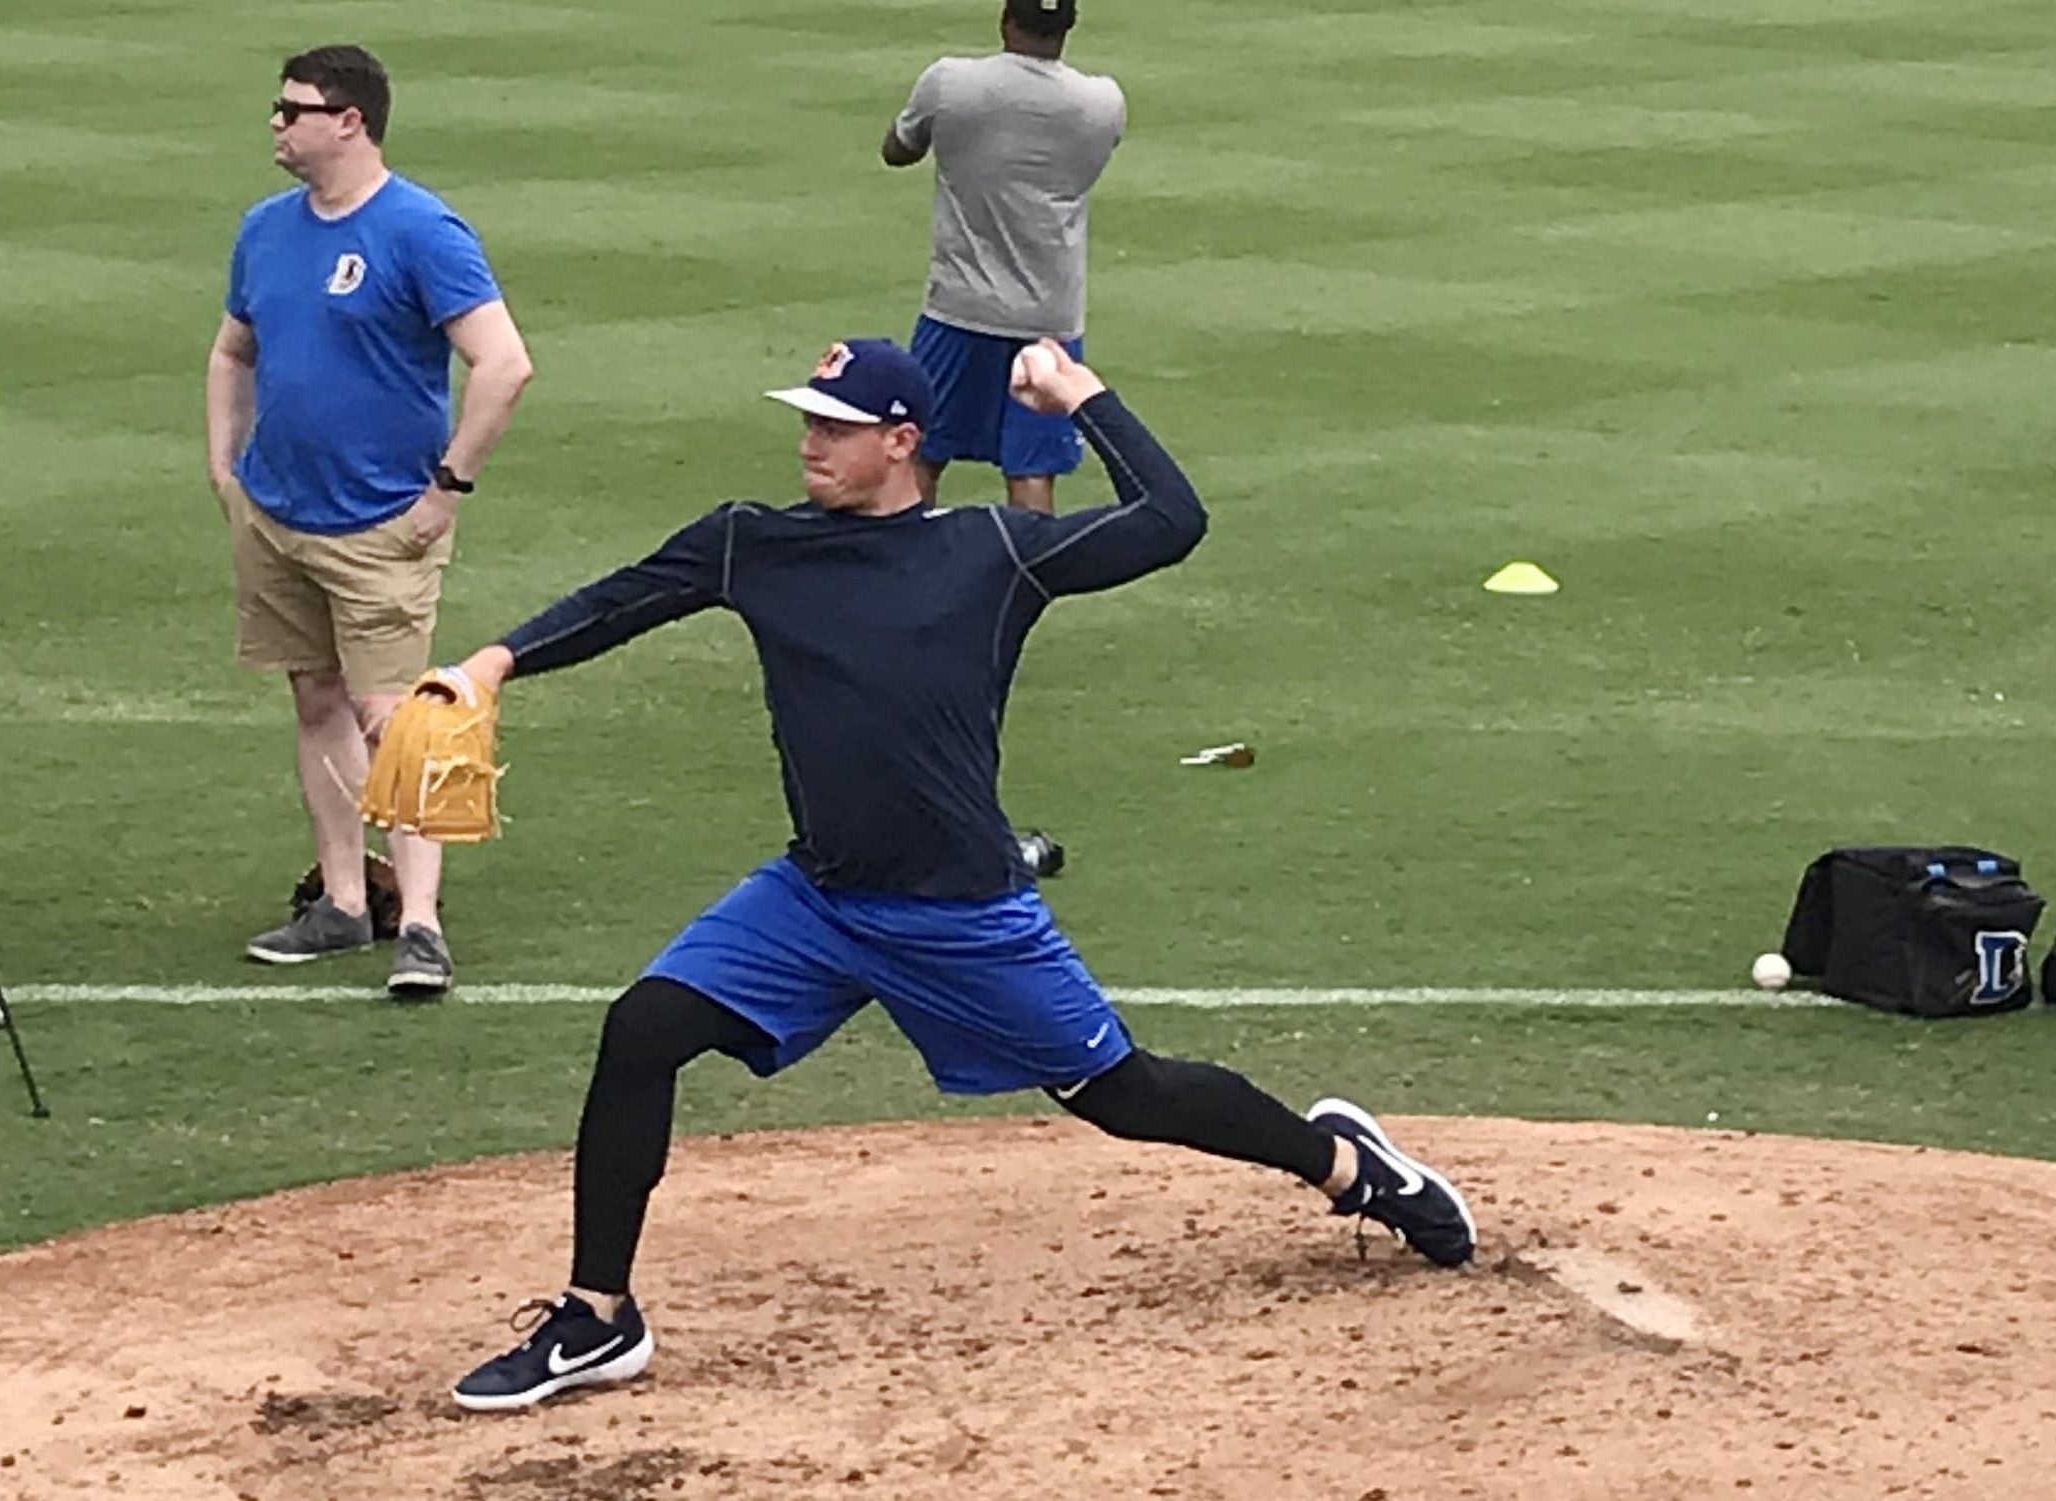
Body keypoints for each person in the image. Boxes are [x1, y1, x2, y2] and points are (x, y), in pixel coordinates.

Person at [434, 337, 1477, 1412]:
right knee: (642, 1027)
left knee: (1123, 1094)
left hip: (960, 913)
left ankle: (1350, 1169)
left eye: (835, 427)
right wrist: (487, 666)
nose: (810, 444)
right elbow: (622, 601)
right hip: (816, 899)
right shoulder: (751, 543)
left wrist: (1081, 398)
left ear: (901, 440)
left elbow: (1172, 520)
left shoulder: (993, 552)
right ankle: (597, 1316)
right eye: (807, 422)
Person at [207, 45, 534, 999]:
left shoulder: (419, 230)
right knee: (314, 696)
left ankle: (421, 924)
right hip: (277, 512)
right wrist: (224, 464)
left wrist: (447, 489)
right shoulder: (265, 229)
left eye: (293, 109)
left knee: (395, 720)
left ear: (349, 121)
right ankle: (347, 901)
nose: (277, 123)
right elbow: (233, 351)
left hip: (380, 520)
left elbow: (503, 364)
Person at [883, 0, 1125, 516]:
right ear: (1069, 25)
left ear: (1006, 19)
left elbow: (898, 149)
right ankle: (1027, 590)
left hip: (959, 307)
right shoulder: (1103, 101)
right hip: (1051, 316)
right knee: (1032, 467)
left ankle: (908, 575)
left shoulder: (951, 82)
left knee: (921, 452)